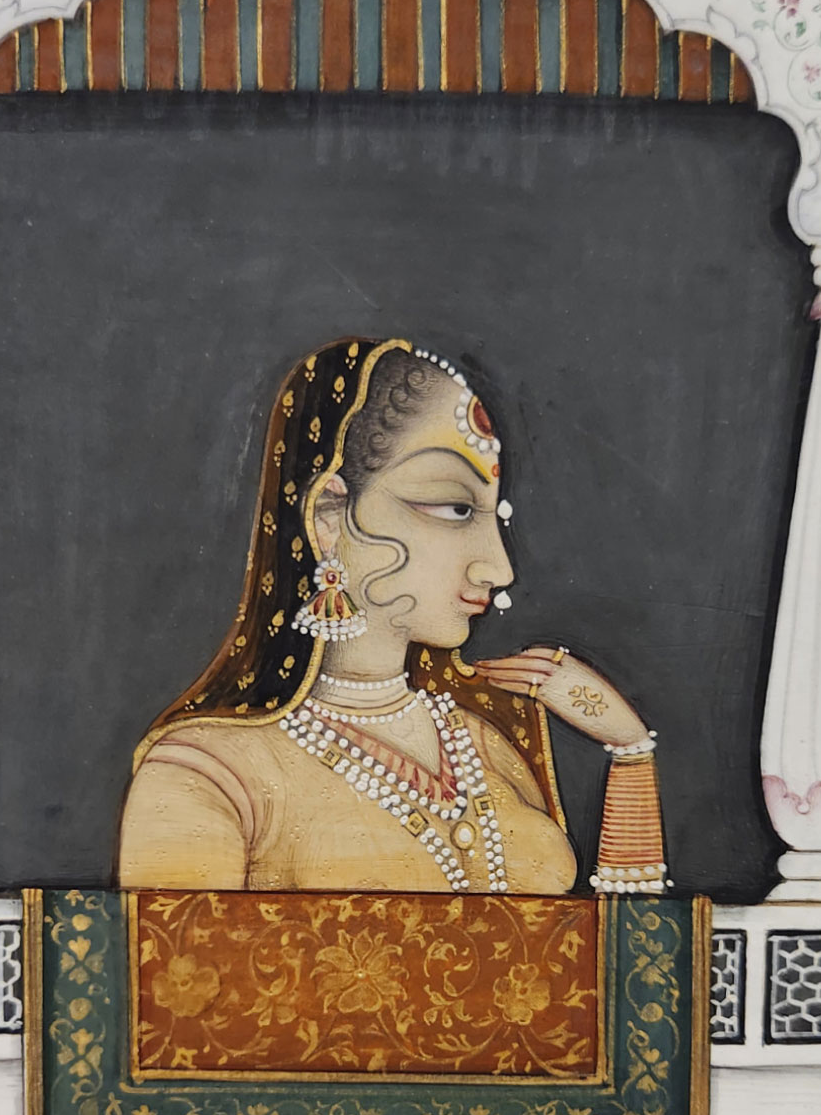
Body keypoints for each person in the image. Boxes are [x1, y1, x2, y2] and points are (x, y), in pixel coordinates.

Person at [118, 337, 667, 896]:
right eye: (456, 508)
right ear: (329, 515)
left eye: (491, 515)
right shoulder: (205, 774)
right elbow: (176, 952)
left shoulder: (487, 747)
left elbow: (597, 949)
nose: (498, 568)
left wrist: (630, 753)